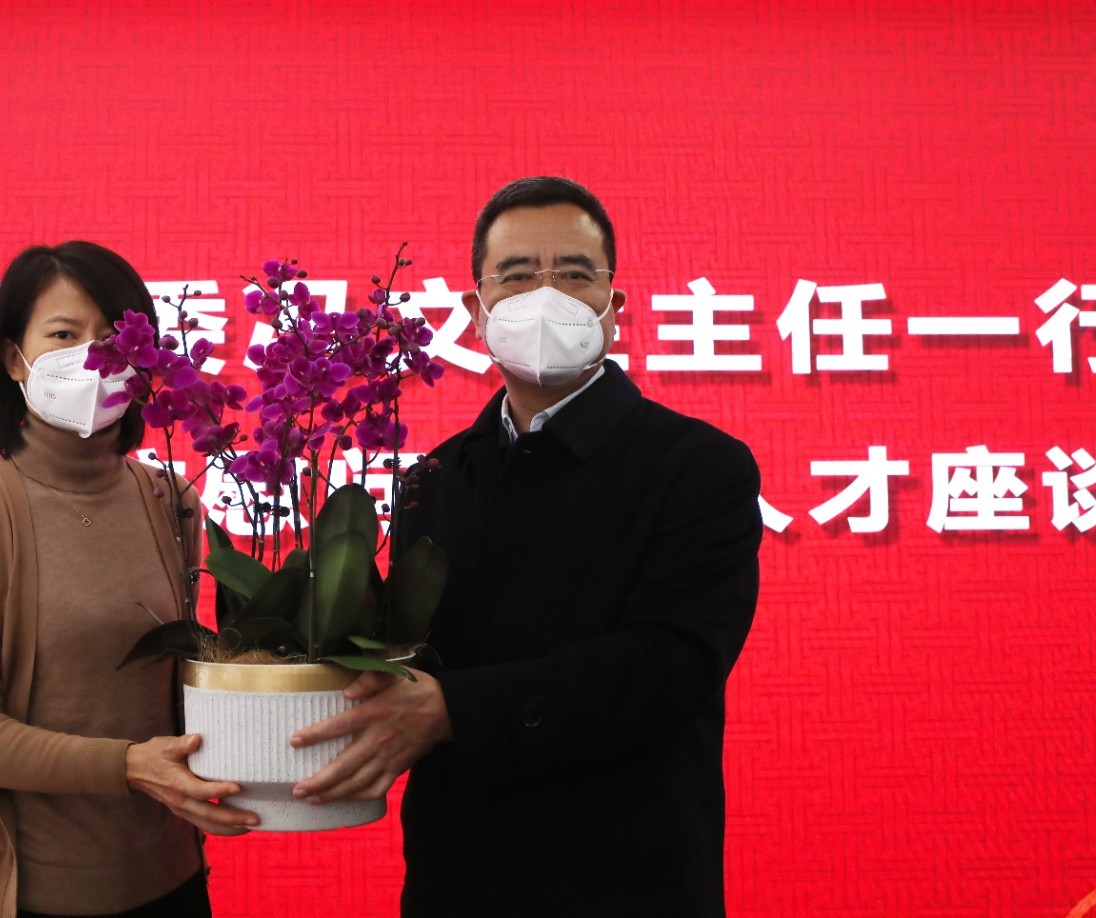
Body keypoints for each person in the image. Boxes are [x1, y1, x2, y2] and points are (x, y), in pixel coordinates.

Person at [289, 177, 763, 915]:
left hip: (631, 877)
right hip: (458, 876)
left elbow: (672, 665)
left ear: (614, 305)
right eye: (516, 276)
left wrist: (455, 711)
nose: (547, 295)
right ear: (476, 311)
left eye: (574, 273)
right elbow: (411, 660)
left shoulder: (699, 466)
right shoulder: (433, 479)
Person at [0, 241, 257, 918]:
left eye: (112, 339)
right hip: (30, 892)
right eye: (64, 335)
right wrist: (129, 766)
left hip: (170, 878)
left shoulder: (172, 499)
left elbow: (179, 678)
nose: (93, 358)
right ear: (14, 358)